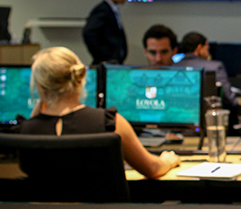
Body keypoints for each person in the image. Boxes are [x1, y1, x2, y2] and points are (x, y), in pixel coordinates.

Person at [18, 47, 180, 179]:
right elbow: (152, 169)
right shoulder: (109, 122)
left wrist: (41, 106)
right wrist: (168, 161)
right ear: (80, 78)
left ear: (40, 86)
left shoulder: (28, 132)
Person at [174, 31, 240, 124]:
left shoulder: (172, 67)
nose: (208, 53)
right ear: (199, 48)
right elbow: (230, 100)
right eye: (207, 49)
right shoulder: (215, 66)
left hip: (177, 122)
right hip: (208, 124)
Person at [82, 0, 129, 65]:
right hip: (106, 63)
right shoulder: (103, 10)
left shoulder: (112, 10)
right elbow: (88, 33)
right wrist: (102, 56)